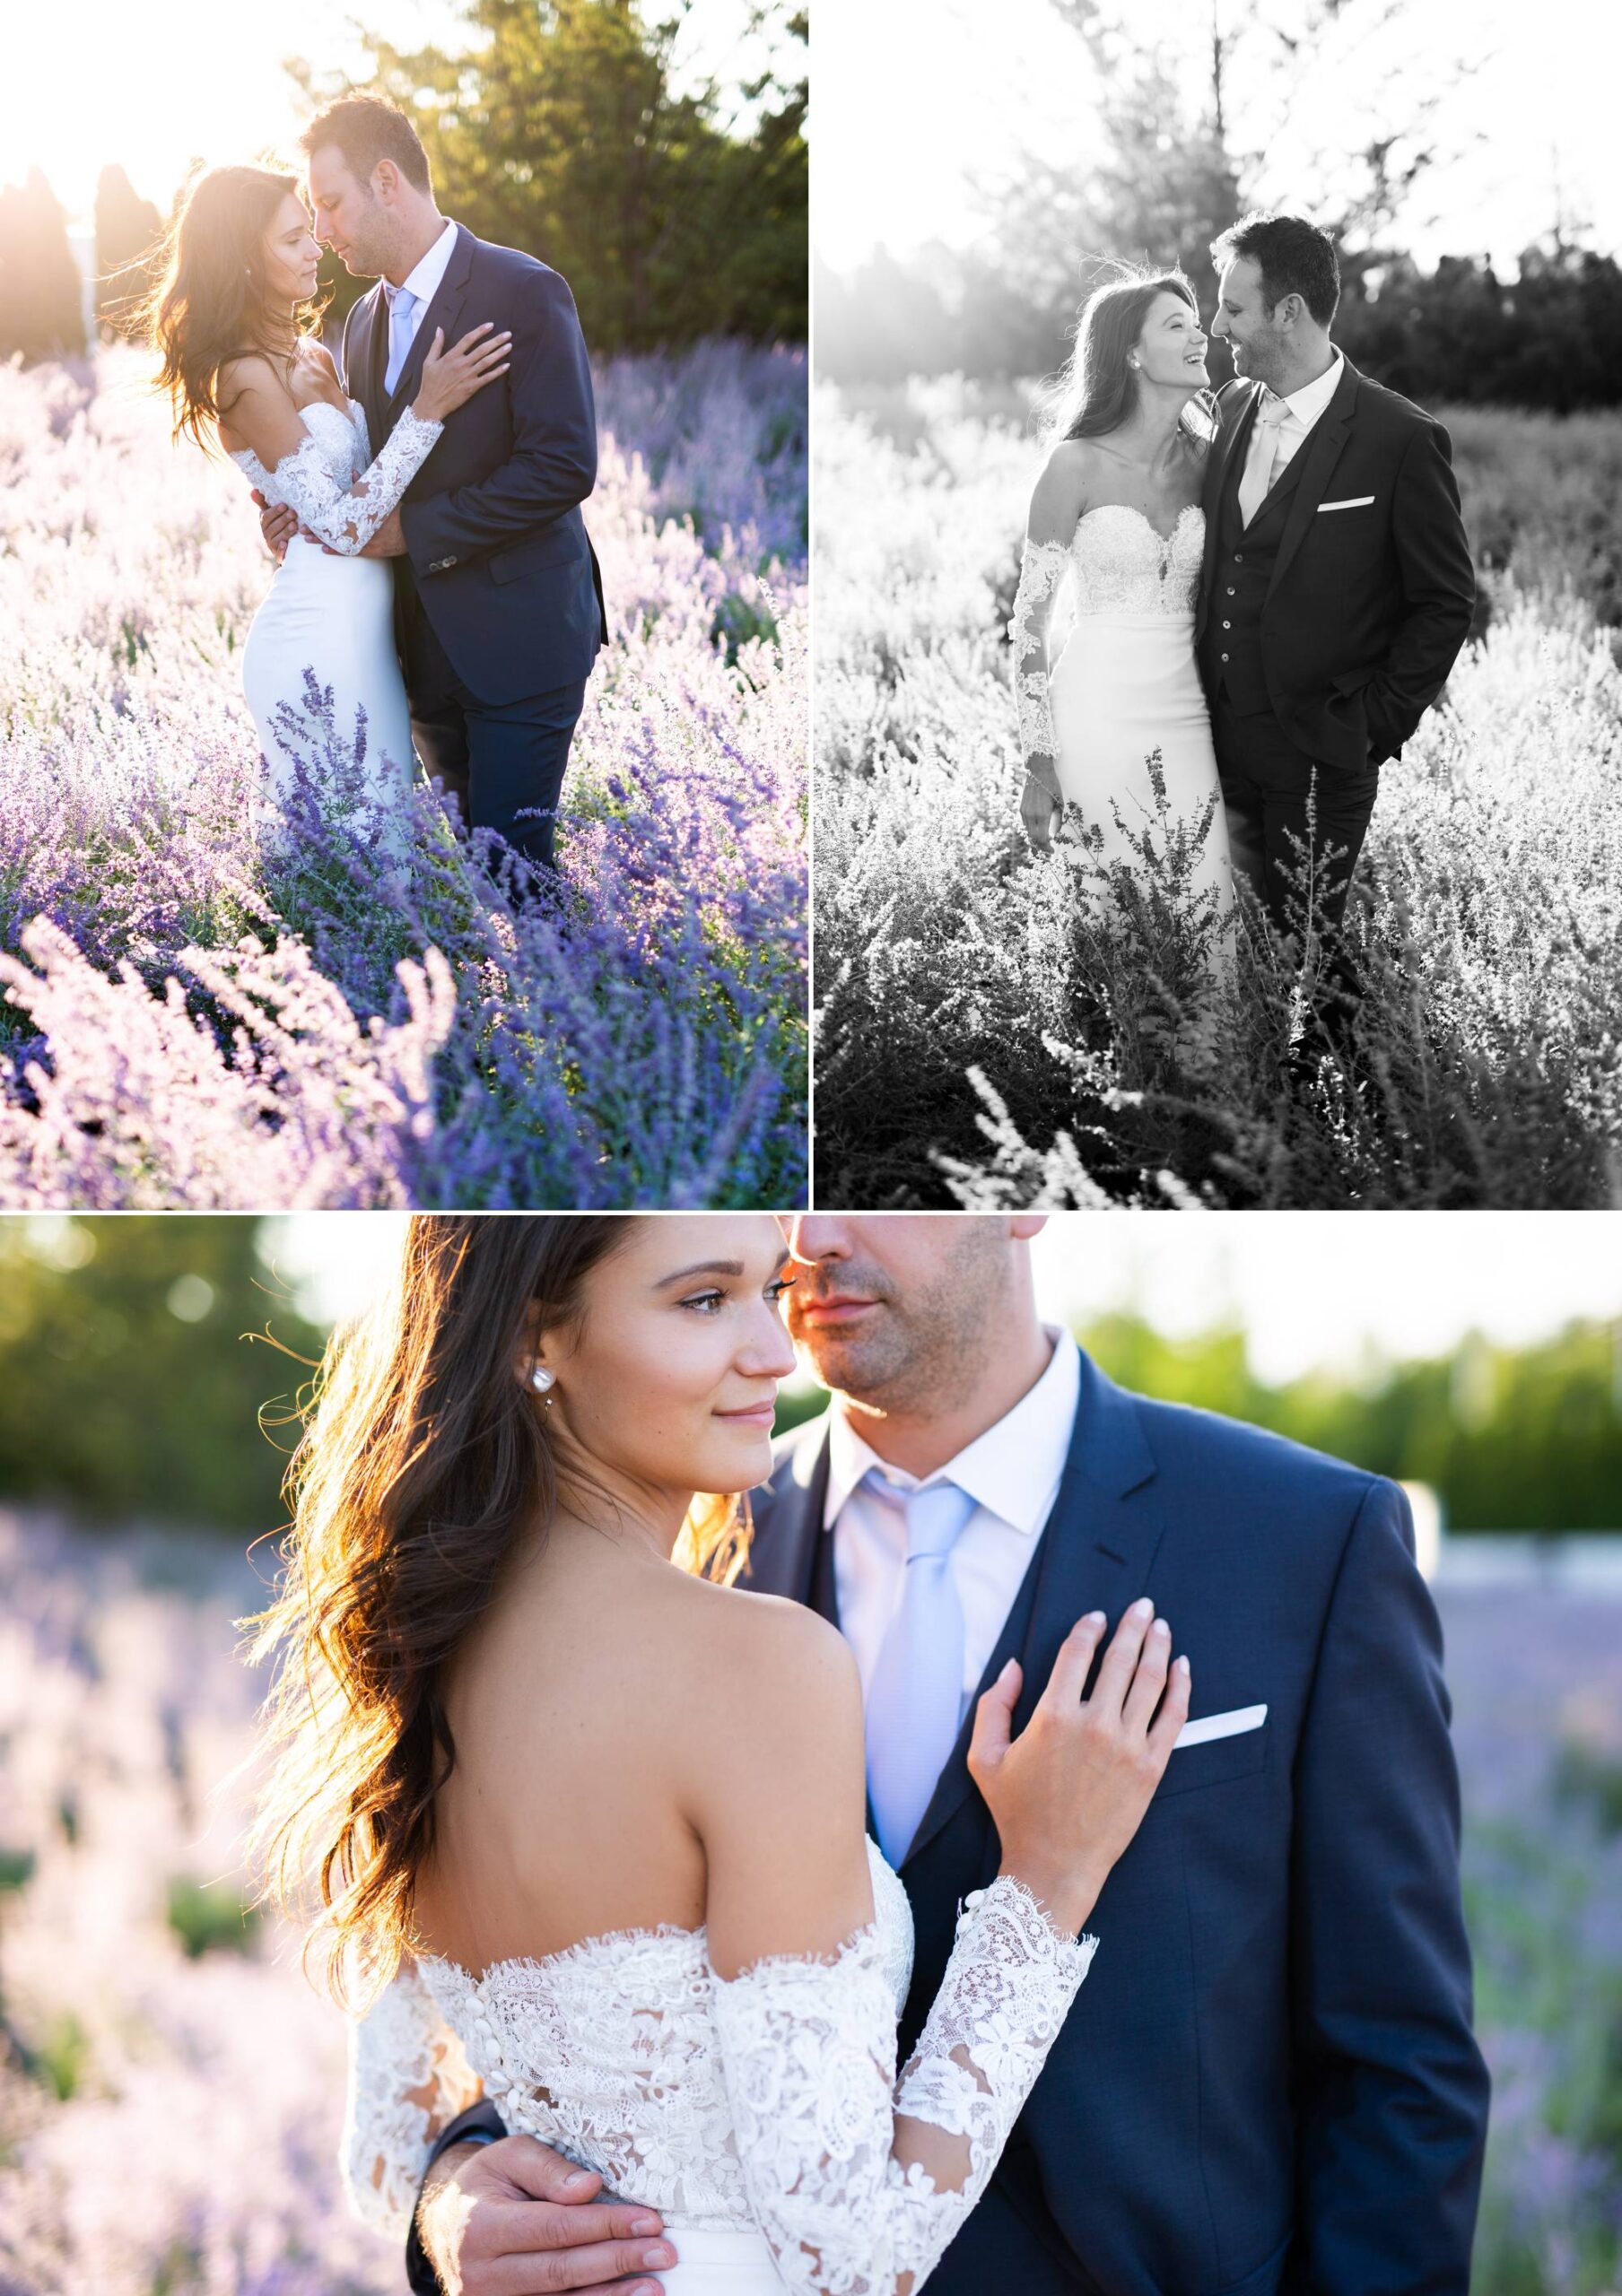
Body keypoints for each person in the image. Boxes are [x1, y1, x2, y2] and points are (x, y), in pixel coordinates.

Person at [414, 1213, 1490, 2296]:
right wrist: (453, 2200)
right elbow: (575, 2017)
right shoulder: (676, 1527)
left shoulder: (1302, 1536)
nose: (810, 1235)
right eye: (792, 1186)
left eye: (863, 1179)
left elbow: (1397, 2067)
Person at [251, 1213, 1188, 2296]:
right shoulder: (761, 1666)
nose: (775, 1350)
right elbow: (852, 2265)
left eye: (767, 1288)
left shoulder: (418, 1661)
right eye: (702, 1300)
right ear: (533, 1339)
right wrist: (1044, 1884)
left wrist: (457, 2193)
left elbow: (386, 2160)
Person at [257, 96, 609, 876]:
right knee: (481, 875)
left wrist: (415, 531)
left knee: (518, 877)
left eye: (331, 204)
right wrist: (305, 509)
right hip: (419, 651)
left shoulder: (524, 290)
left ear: (387, 181)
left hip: (521, 641)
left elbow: (563, 466)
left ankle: (593, 997)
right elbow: (376, 475)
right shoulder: (361, 322)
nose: (322, 230)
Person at [147, 163, 511, 854]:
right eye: (291, 239)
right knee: (364, 860)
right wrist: (426, 409)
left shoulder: (309, 352)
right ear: (245, 261)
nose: (316, 243)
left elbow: (357, 487)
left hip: (363, 630)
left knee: (391, 847)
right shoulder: (245, 374)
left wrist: (339, 413)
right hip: (315, 639)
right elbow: (347, 525)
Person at [1197, 212, 1475, 955]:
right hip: (1211, 748)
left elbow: (1444, 602)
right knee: (1218, 960)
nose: (1217, 322)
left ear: (1289, 312)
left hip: (1321, 759)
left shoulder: (1400, 439)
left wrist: (1370, 728)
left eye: (1234, 306)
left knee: (1304, 965)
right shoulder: (1227, 411)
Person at [1011, 267, 1234, 940]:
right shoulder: (1073, 466)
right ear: (1132, 354)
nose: (1200, 335)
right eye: (1178, 325)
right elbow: (1028, 626)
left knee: (1211, 919)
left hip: (1193, 715)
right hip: (1092, 717)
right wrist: (1038, 759)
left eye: (1198, 322)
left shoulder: (1213, 461)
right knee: (1112, 930)